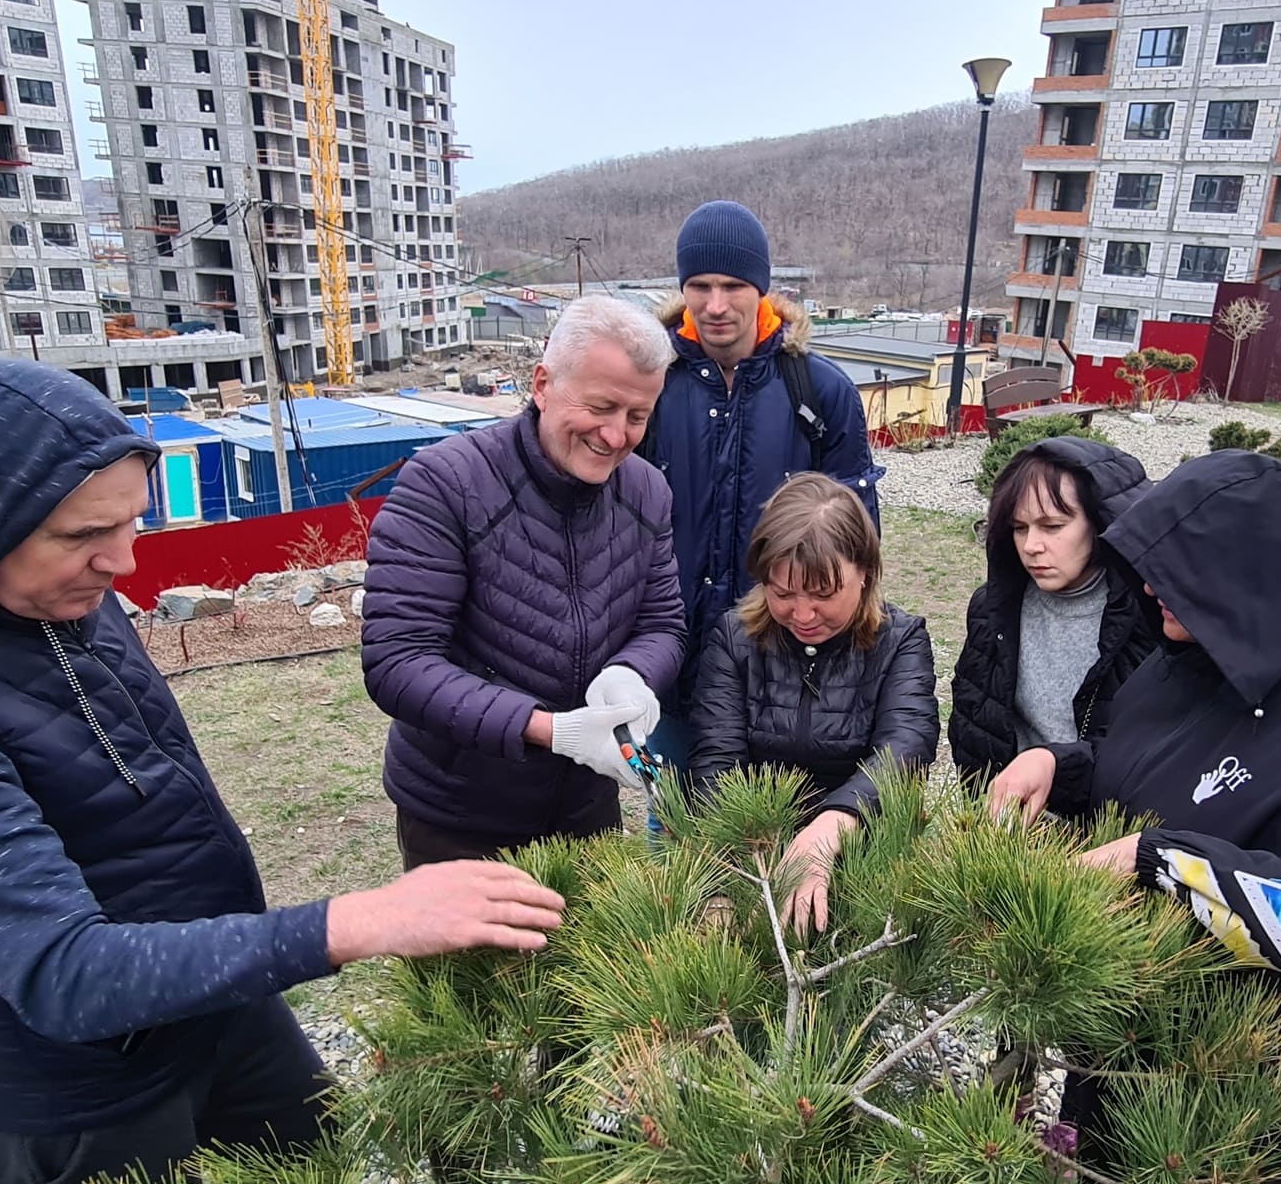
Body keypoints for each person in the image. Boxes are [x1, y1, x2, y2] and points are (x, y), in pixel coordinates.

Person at [0, 360, 567, 1184]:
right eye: (84, 536)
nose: (124, 561)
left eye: (130, 522)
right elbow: (62, 973)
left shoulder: (50, 591)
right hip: (78, 1090)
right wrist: (363, 922)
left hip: (217, 1008)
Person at [986, 450, 1281, 1184]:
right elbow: (1165, 770)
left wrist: (1162, 864)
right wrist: (1060, 765)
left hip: (1239, 1084)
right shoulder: (1184, 657)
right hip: (1129, 1026)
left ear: (1245, 579)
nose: (1151, 587)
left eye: (1178, 573)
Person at [363, 295, 686, 866]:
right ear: (542, 384)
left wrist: (632, 674)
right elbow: (398, 663)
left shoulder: (646, 492)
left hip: (586, 806)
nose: (616, 436)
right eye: (601, 407)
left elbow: (662, 622)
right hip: (460, 813)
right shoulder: (445, 485)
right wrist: (548, 730)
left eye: (637, 417)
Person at [642, 201, 878, 781]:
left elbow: (859, 544)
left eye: (733, 285)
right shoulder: (651, 384)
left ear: (764, 289)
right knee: (674, 818)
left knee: (775, 819)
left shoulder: (820, 390)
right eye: (699, 285)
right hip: (673, 653)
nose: (715, 305)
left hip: (785, 655)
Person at [689, 473, 938, 933]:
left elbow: (905, 750)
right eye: (782, 594)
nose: (802, 615)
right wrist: (750, 869)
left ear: (864, 573)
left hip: (863, 853)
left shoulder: (900, 641)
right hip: (755, 860)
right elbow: (715, 761)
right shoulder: (734, 638)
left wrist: (832, 826)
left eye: (823, 595)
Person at [948, 437, 1162, 787]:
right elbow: (975, 726)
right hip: (1008, 822)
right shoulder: (994, 608)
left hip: (1108, 828)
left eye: (1052, 526)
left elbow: (1152, 751)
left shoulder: (1149, 619)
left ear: (1100, 524)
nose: (1031, 546)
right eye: (1019, 528)